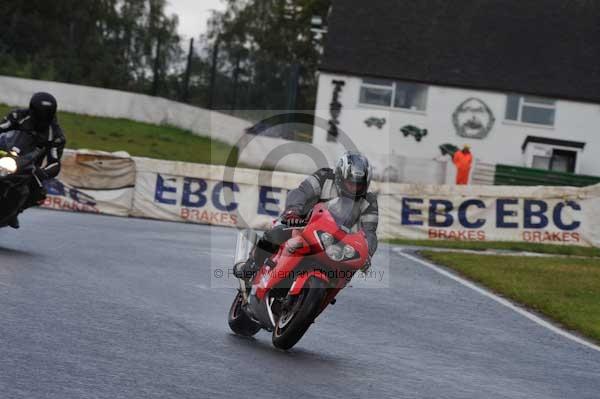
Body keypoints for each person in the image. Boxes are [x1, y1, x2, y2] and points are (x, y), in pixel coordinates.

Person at [235, 151, 378, 281]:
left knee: (348, 269)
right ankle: (250, 267)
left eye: (358, 185)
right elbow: (301, 193)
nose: (353, 187)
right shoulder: (324, 177)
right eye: (350, 183)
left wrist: (368, 254)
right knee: (275, 234)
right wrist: (293, 212)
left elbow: (369, 232)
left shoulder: (369, 201)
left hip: (336, 242)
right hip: (302, 224)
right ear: (341, 176)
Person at [0, 92, 66, 228]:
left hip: (28, 165)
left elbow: (54, 161)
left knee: (38, 193)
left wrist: (43, 172)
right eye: (40, 114)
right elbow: (2, 127)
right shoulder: (18, 116)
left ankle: (15, 211)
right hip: (6, 153)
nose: (42, 118)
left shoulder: (56, 135)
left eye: (46, 115)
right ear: (33, 110)